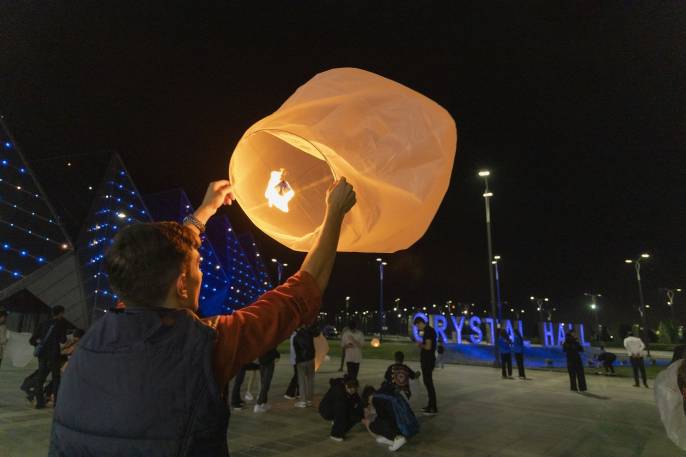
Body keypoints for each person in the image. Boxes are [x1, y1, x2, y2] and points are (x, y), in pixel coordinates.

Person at [49, 177, 356, 456]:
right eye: (197, 265)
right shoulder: (206, 344)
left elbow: (145, 269)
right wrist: (334, 212)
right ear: (182, 285)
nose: (202, 271)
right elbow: (303, 291)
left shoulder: (97, 337)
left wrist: (203, 213)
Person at [30, 305, 68, 409]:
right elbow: (63, 340)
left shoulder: (43, 323)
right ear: (60, 313)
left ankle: (40, 402)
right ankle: (56, 403)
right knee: (56, 379)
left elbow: (32, 340)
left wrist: (40, 344)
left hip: (42, 355)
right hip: (54, 355)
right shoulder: (61, 324)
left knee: (40, 378)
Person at [361, 385, 419, 452]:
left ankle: (398, 438)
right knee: (380, 422)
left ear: (369, 397)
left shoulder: (375, 399)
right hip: (411, 425)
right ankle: (391, 438)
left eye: (368, 401)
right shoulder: (383, 393)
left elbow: (383, 418)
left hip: (402, 429)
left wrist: (368, 424)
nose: (369, 403)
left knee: (373, 425)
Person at [318, 376, 363, 441]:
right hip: (326, 410)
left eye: (354, 389)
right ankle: (335, 434)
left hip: (336, 407)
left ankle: (341, 427)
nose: (352, 391)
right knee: (344, 412)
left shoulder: (351, 389)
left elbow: (358, 401)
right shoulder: (339, 392)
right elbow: (343, 410)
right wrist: (359, 418)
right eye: (350, 389)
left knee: (357, 413)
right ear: (346, 386)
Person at [414, 316, 437, 415]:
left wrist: (420, 345)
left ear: (420, 323)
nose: (417, 328)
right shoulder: (429, 330)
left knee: (428, 383)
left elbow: (428, 347)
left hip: (427, 360)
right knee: (428, 383)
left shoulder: (427, 331)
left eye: (417, 326)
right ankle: (430, 405)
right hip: (429, 360)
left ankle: (433, 408)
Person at [294, 322, 319, 407]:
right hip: (310, 359)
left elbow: (298, 349)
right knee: (310, 380)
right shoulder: (309, 334)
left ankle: (303, 401)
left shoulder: (297, 336)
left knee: (302, 381)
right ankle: (309, 399)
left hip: (301, 360)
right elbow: (317, 333)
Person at [254, 348, 279, 412]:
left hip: (262, 360)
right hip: (268, 361)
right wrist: (277, 355)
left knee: (264, 382)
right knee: (266, 383)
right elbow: (272, 348)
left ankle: (263, 403)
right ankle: (258, 404)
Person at [284, 330, 299, 400]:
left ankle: (298, 393)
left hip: (295, 359)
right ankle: (289, 393)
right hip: (297, 359)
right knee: (297, 376)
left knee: (299, 376)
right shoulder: (295, 336)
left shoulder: (293, 335)